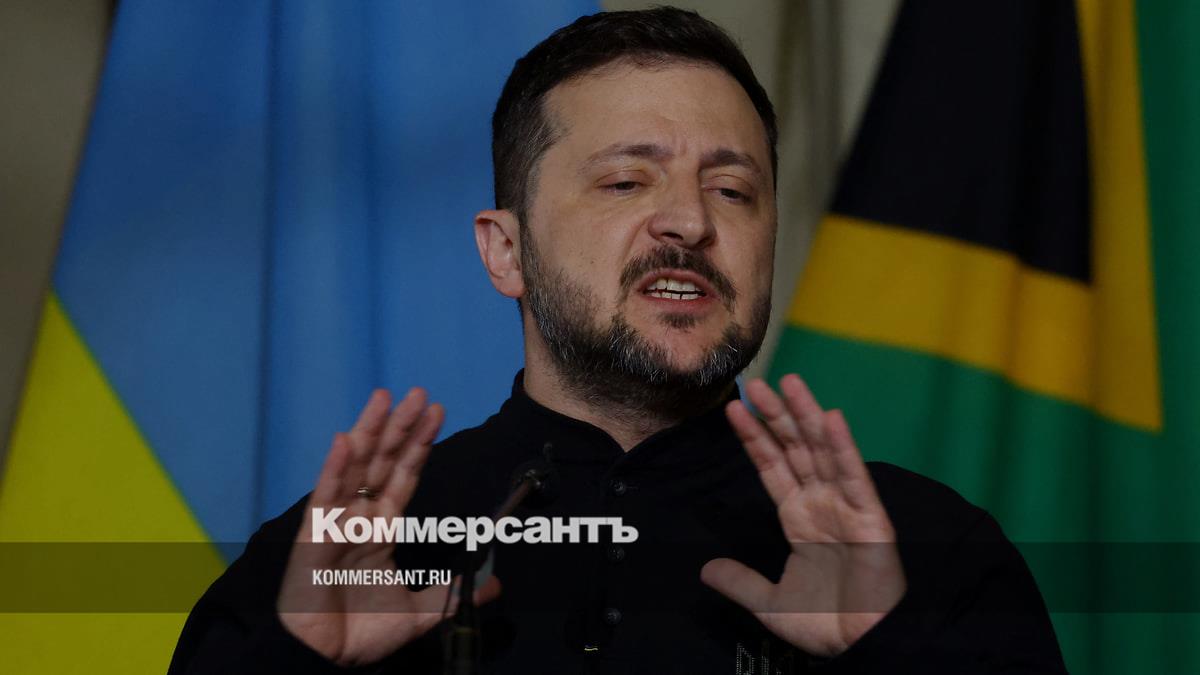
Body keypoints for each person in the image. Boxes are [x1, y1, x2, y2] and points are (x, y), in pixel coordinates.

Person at [168, 7, 1066, 674]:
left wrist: (890, 651)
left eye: (733, 191)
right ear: (506, 251)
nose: (689, 222)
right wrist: (294, 664)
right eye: (628, 181)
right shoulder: (341, 558)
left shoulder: (930, 552)